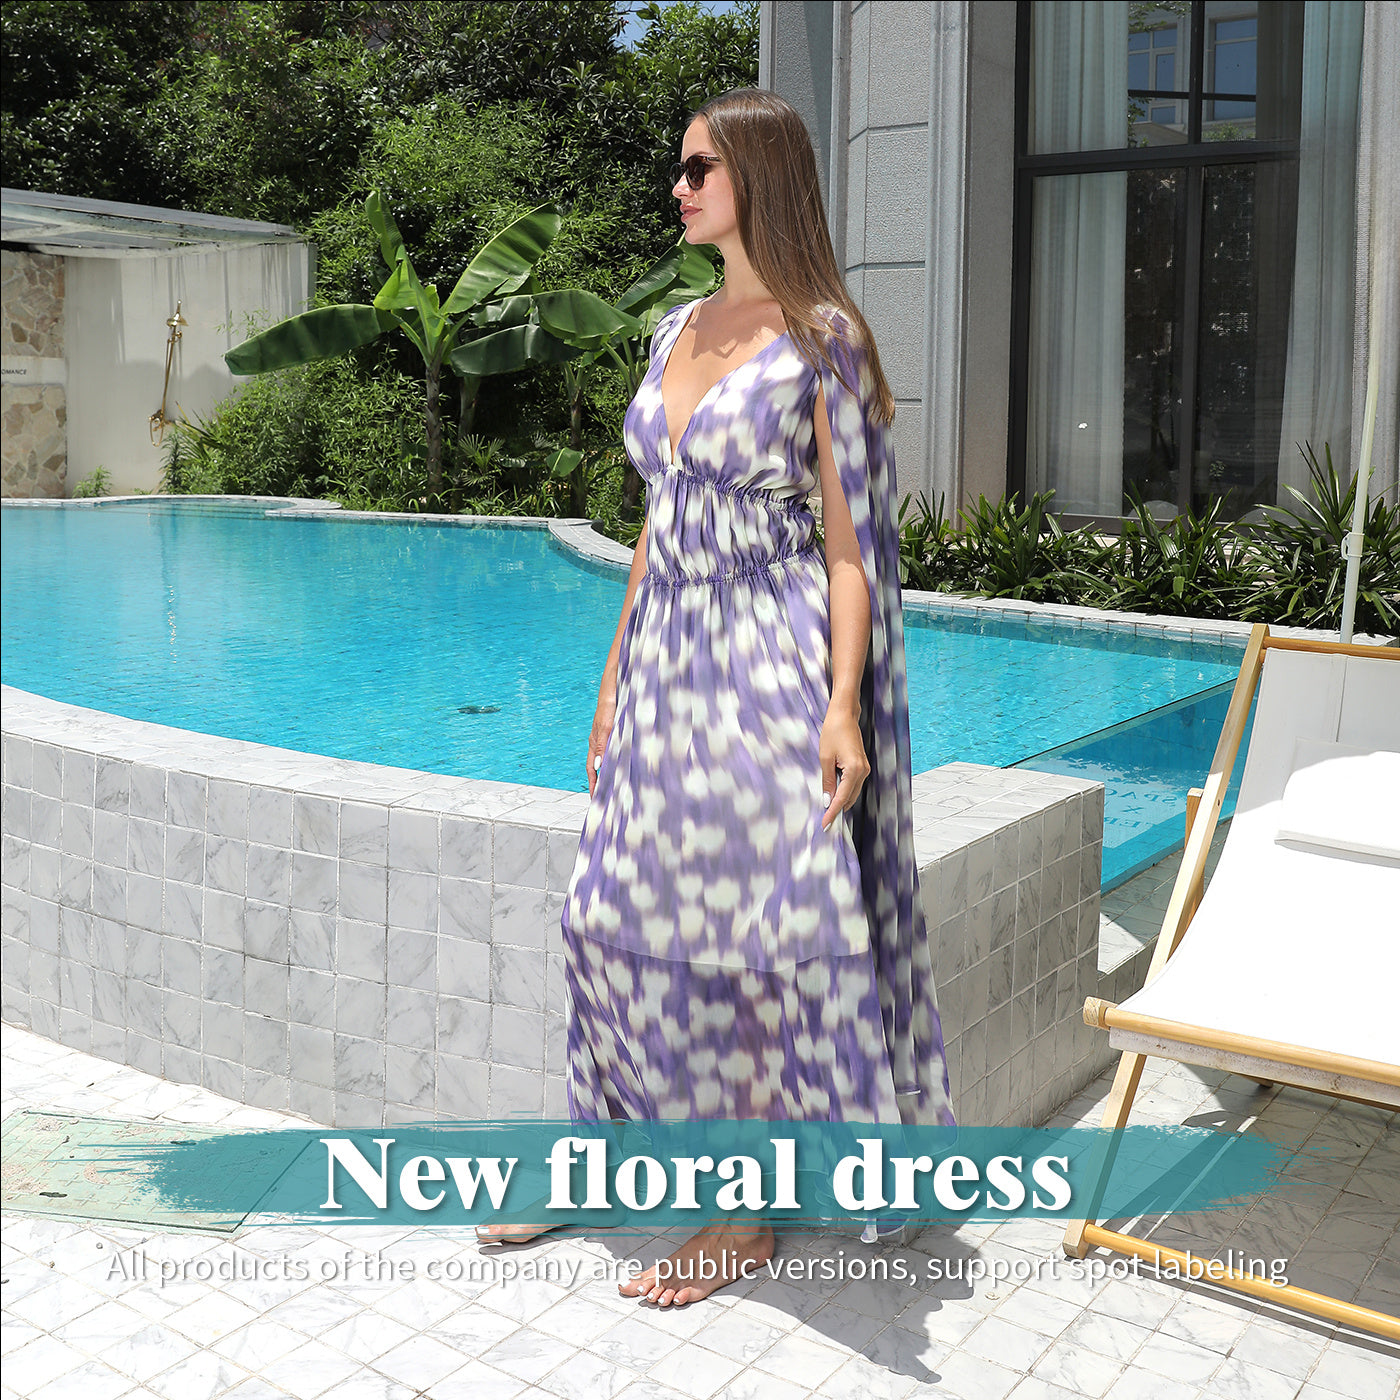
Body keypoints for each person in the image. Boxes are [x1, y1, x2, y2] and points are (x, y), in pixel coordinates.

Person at [481, 87, 954, 1305]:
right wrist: (611, 677)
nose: (678, 186)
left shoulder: (824, 340)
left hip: (767, 657)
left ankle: (740, 1214)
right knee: (601, 915)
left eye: (700, 167)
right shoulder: (672, 329)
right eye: (679, 167)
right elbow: (657, 521)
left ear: (759, 174)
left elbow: (848, 547)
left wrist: (841, 703)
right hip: (664, 658)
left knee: (747, 944)